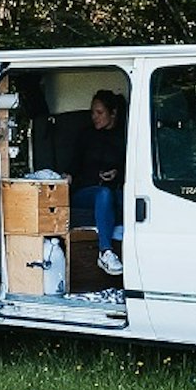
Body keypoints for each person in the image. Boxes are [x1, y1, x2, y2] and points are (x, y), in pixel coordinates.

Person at [70, 87, 128, 276]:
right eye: (92, 113)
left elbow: (130, 169)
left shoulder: (124, 138)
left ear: (113, 113)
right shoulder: (86, 135)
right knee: (104, 194)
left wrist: (116, 174)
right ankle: (105, 252)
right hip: (86, 192)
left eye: (99, 112)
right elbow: (72, 167)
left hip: (113, 191)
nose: (94, 117)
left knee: (119, 197)